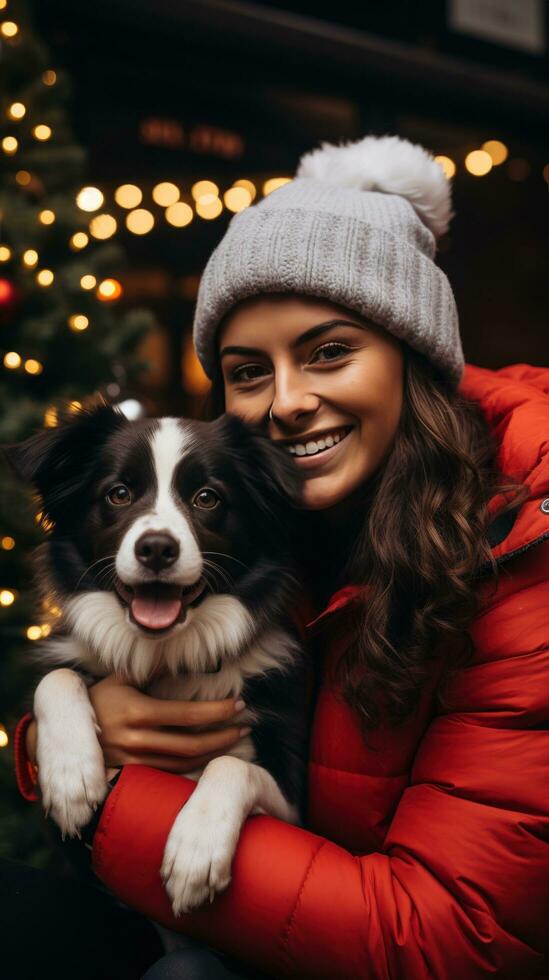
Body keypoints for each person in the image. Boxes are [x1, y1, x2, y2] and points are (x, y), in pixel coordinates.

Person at [14, 134, 549, 979]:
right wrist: (60, 730)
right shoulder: (276, 514)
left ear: (412, 360)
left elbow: (446, 937)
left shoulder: (524, 557)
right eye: (248, 370)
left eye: (329, 351)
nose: (290, 402)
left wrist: (123, 791)